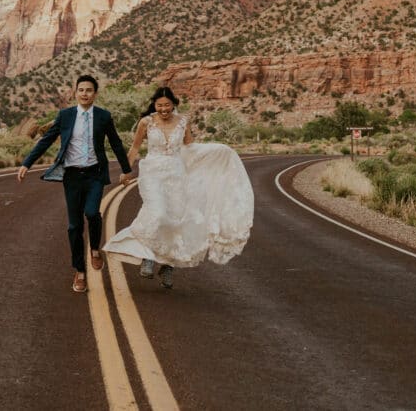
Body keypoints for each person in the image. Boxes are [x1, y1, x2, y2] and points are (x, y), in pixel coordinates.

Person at [103, 87, 254, 289]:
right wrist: (126, 169)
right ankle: (148, 255)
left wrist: (218, 150)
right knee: (157, 214)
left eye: (167, 105)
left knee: (175, 220)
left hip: (176, 173)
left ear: (173, 104)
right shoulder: (146, 122)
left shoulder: (183, 121)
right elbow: (135, 148)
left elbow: (190, 147)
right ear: (154, 105)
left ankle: (168, 265)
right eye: (159, 105)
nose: (163, 109)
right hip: (153, 172)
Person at [18, 75, 132, 294]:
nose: (85, 93)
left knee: (92, 213)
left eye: (89, 90)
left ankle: (95, 248)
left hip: (95, 174)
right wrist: (27, 163)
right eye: (81, 90)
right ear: (75, 92)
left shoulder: (103, 116)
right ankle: (80, 272)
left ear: (95, 93)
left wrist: (126, 169)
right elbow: (46, 140)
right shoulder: (66, 115)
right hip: (72, 176)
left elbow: (116, 142)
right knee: (74, 226)